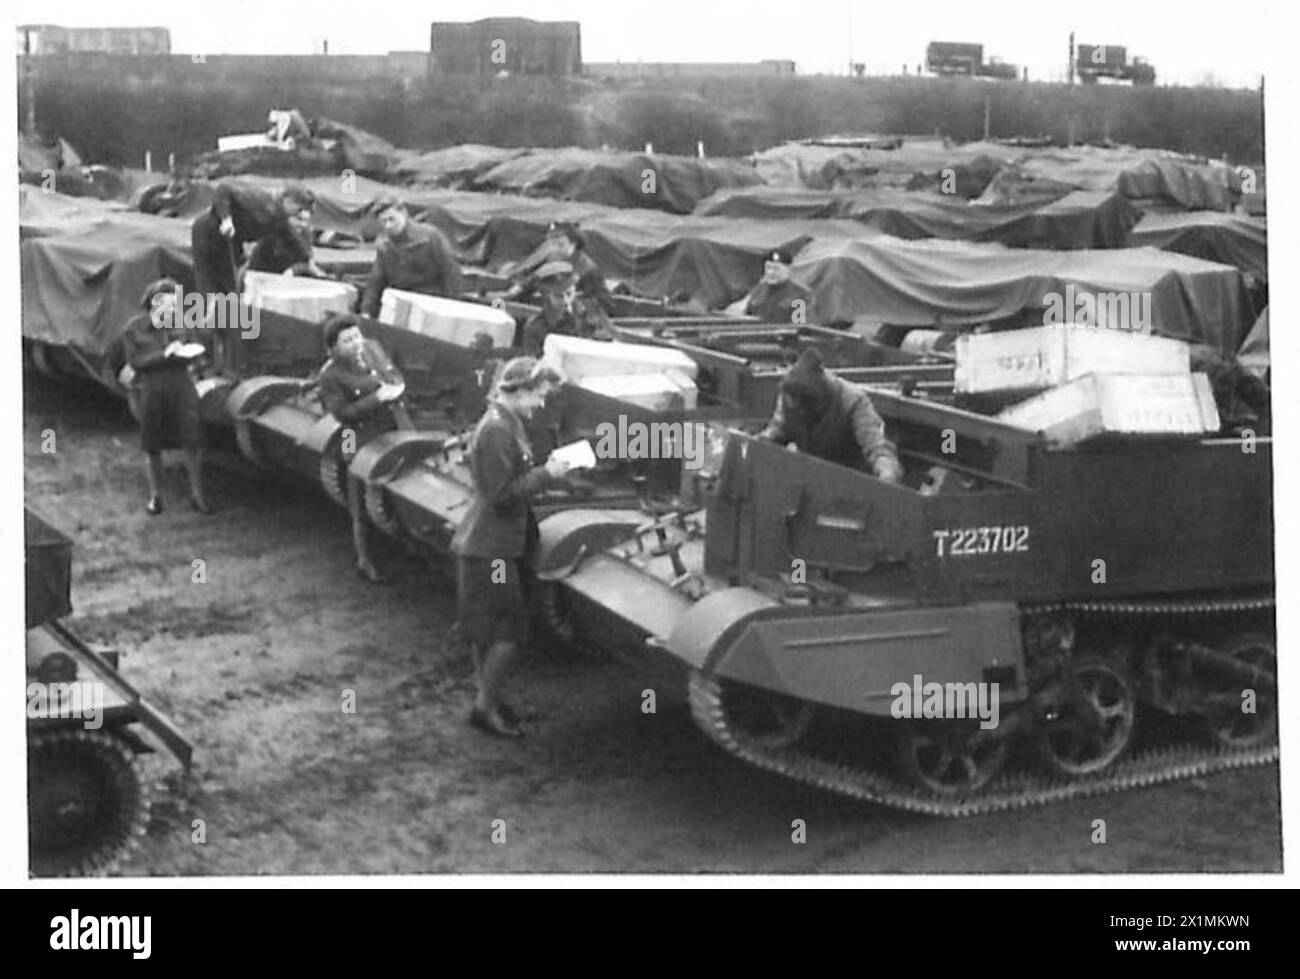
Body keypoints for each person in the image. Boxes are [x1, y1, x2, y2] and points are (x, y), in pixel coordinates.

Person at [451, 357, 572, 738]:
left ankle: (491, 696)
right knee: (509, 631)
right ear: (518, 390)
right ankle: (484, 709)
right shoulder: (497, 431)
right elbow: (501, 495)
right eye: (538, 394)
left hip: (495, 544)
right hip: (493, 549)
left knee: (488, 627)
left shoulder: (506, 422)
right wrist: (547, 474)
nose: (541, 403)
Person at [314, 313, 410, 583]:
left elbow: (392, 376)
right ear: (332, 348)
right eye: (347, 340)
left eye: (356, 336)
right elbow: (342, 414)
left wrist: (395, 389)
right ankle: (365, 559)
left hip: (388, 429)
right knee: (359, 497)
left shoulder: (370, 354)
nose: (355, 343)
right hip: (355, 436)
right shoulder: (331, 376)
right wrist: (377, 398)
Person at [192, 183, 314, 371]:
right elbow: (223, 189)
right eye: (297, 209)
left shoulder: (280, 221)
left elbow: (296, 245)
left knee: (230, 297)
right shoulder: (259, 201)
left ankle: (229, 355)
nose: (298, 215)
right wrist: (226, 219)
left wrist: (307, 261)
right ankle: (205, 352)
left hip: (231, 243)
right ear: (287, 201)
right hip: (208, 233)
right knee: (210, 291)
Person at [122, 278, 212, 515]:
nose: (173, 309)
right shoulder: (134, 328)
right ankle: (156, 496)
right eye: (168, 304)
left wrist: (196, 356)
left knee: (192, 440)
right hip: (152, 388)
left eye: (176, 304)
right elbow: (136, 362)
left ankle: (198, 495)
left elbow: (198, 350)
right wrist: (164, 355)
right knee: (152, 445)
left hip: (182, 385)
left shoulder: (183, 324)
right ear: (153, 303)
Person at [760, 347, 904, 481]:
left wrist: (887, 473)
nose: (798, 411)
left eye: (803, 408)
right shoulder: (791, 395)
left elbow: (877, 448)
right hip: (809, 476)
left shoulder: (853, 402)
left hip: (849, 482)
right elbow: (776, 432)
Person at [361, 197, 465, 318]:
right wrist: (366, 311)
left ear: (403, 213)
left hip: (433, 305)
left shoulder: (430, 236)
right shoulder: (385, 247)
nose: (388, 225)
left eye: (391, 219)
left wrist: (452, 307)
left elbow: (452, 272)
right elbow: (376, 281)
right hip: (402, 305)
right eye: (383, 222)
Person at [505, 222, 615, 314]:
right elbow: (528, 284)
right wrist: (513, 291)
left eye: (560, 245)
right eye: (551, 244)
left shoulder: (587, 270)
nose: (554, 249)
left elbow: (605, 304)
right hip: (547, 309)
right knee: (499, 303)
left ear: (574, 244)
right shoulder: (551, 260)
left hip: (571, 317)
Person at [520, 261, 613, 357]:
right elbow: (533, 363)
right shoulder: (535, 328)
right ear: (546, 296)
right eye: (558, 296)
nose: (565, 300)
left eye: (569, 293)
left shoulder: (592, 312)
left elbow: (608, 346)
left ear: (575, 290)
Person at [244, 188, 327, 279]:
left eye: (306, 221)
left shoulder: (305, 233)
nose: (303, 225)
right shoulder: (271, 237)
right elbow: (256, 267)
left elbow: (308, 262)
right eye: (299, 219)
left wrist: (294, 270)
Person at [744, 249, 815, 324]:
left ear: (788, 269)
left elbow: (799, 325)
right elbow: (747, 317)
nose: (770, 272)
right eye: (768, 268)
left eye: (776, 268)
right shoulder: (758, 290)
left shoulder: (800, 293)